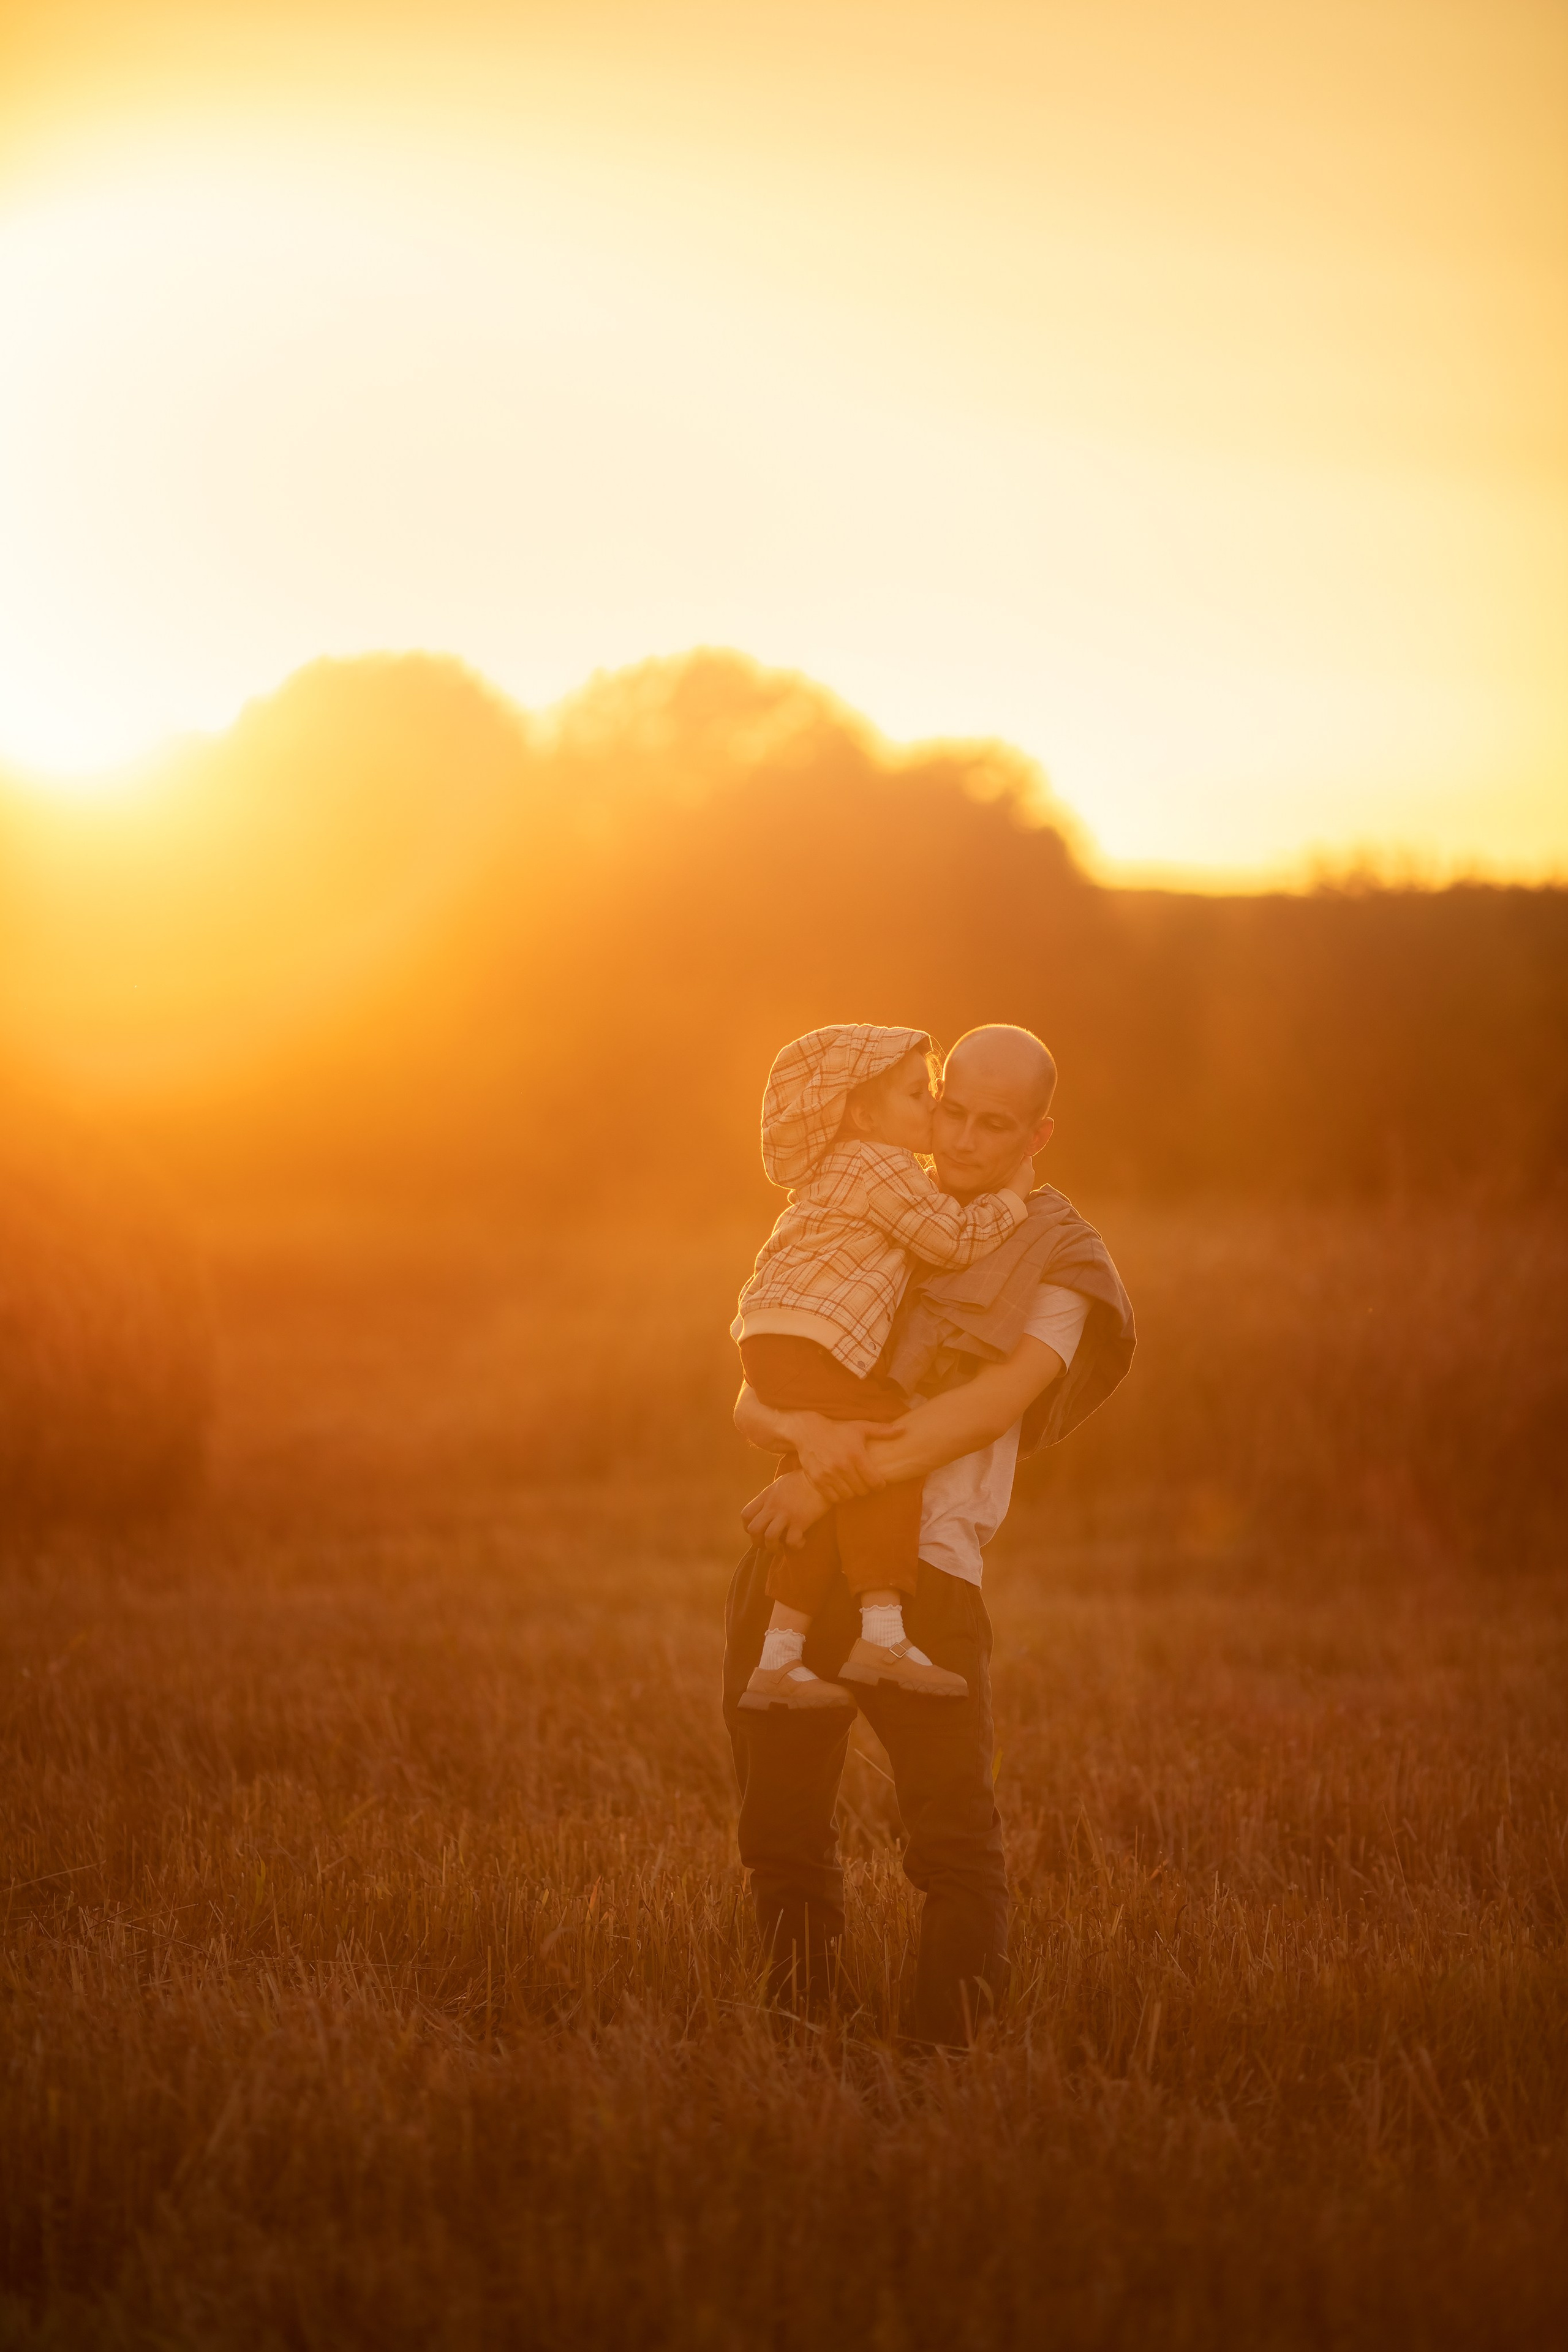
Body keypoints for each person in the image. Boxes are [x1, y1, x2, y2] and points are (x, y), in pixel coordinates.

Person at [723, 1024, 1136, 2046]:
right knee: (780, 1839)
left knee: (951, 1850)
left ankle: (940, 2071)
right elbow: (754, 1391)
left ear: (1040, 1133)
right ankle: (798, 2048)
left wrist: (817, 1485)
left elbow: (975, 1416)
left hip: (928, 1576)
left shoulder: (1057, 1257)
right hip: (790, 1567)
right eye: (948, 1105)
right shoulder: (869, 1199)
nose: (960, 1137)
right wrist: (805, 1435)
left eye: (994, 1124)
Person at [731, 1023, 1036, 1714]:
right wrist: (1013, 1196)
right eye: (919, 1096)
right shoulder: (880, 1165)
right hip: (809, 1340)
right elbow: (952, 1240)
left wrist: (811, 1466)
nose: (933, 1111)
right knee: (888, 1435)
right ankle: (883, 1631)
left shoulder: (844, 1164)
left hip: (776, 1340)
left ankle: (780, 1656)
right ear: (864, 1115)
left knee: (838, 1451)